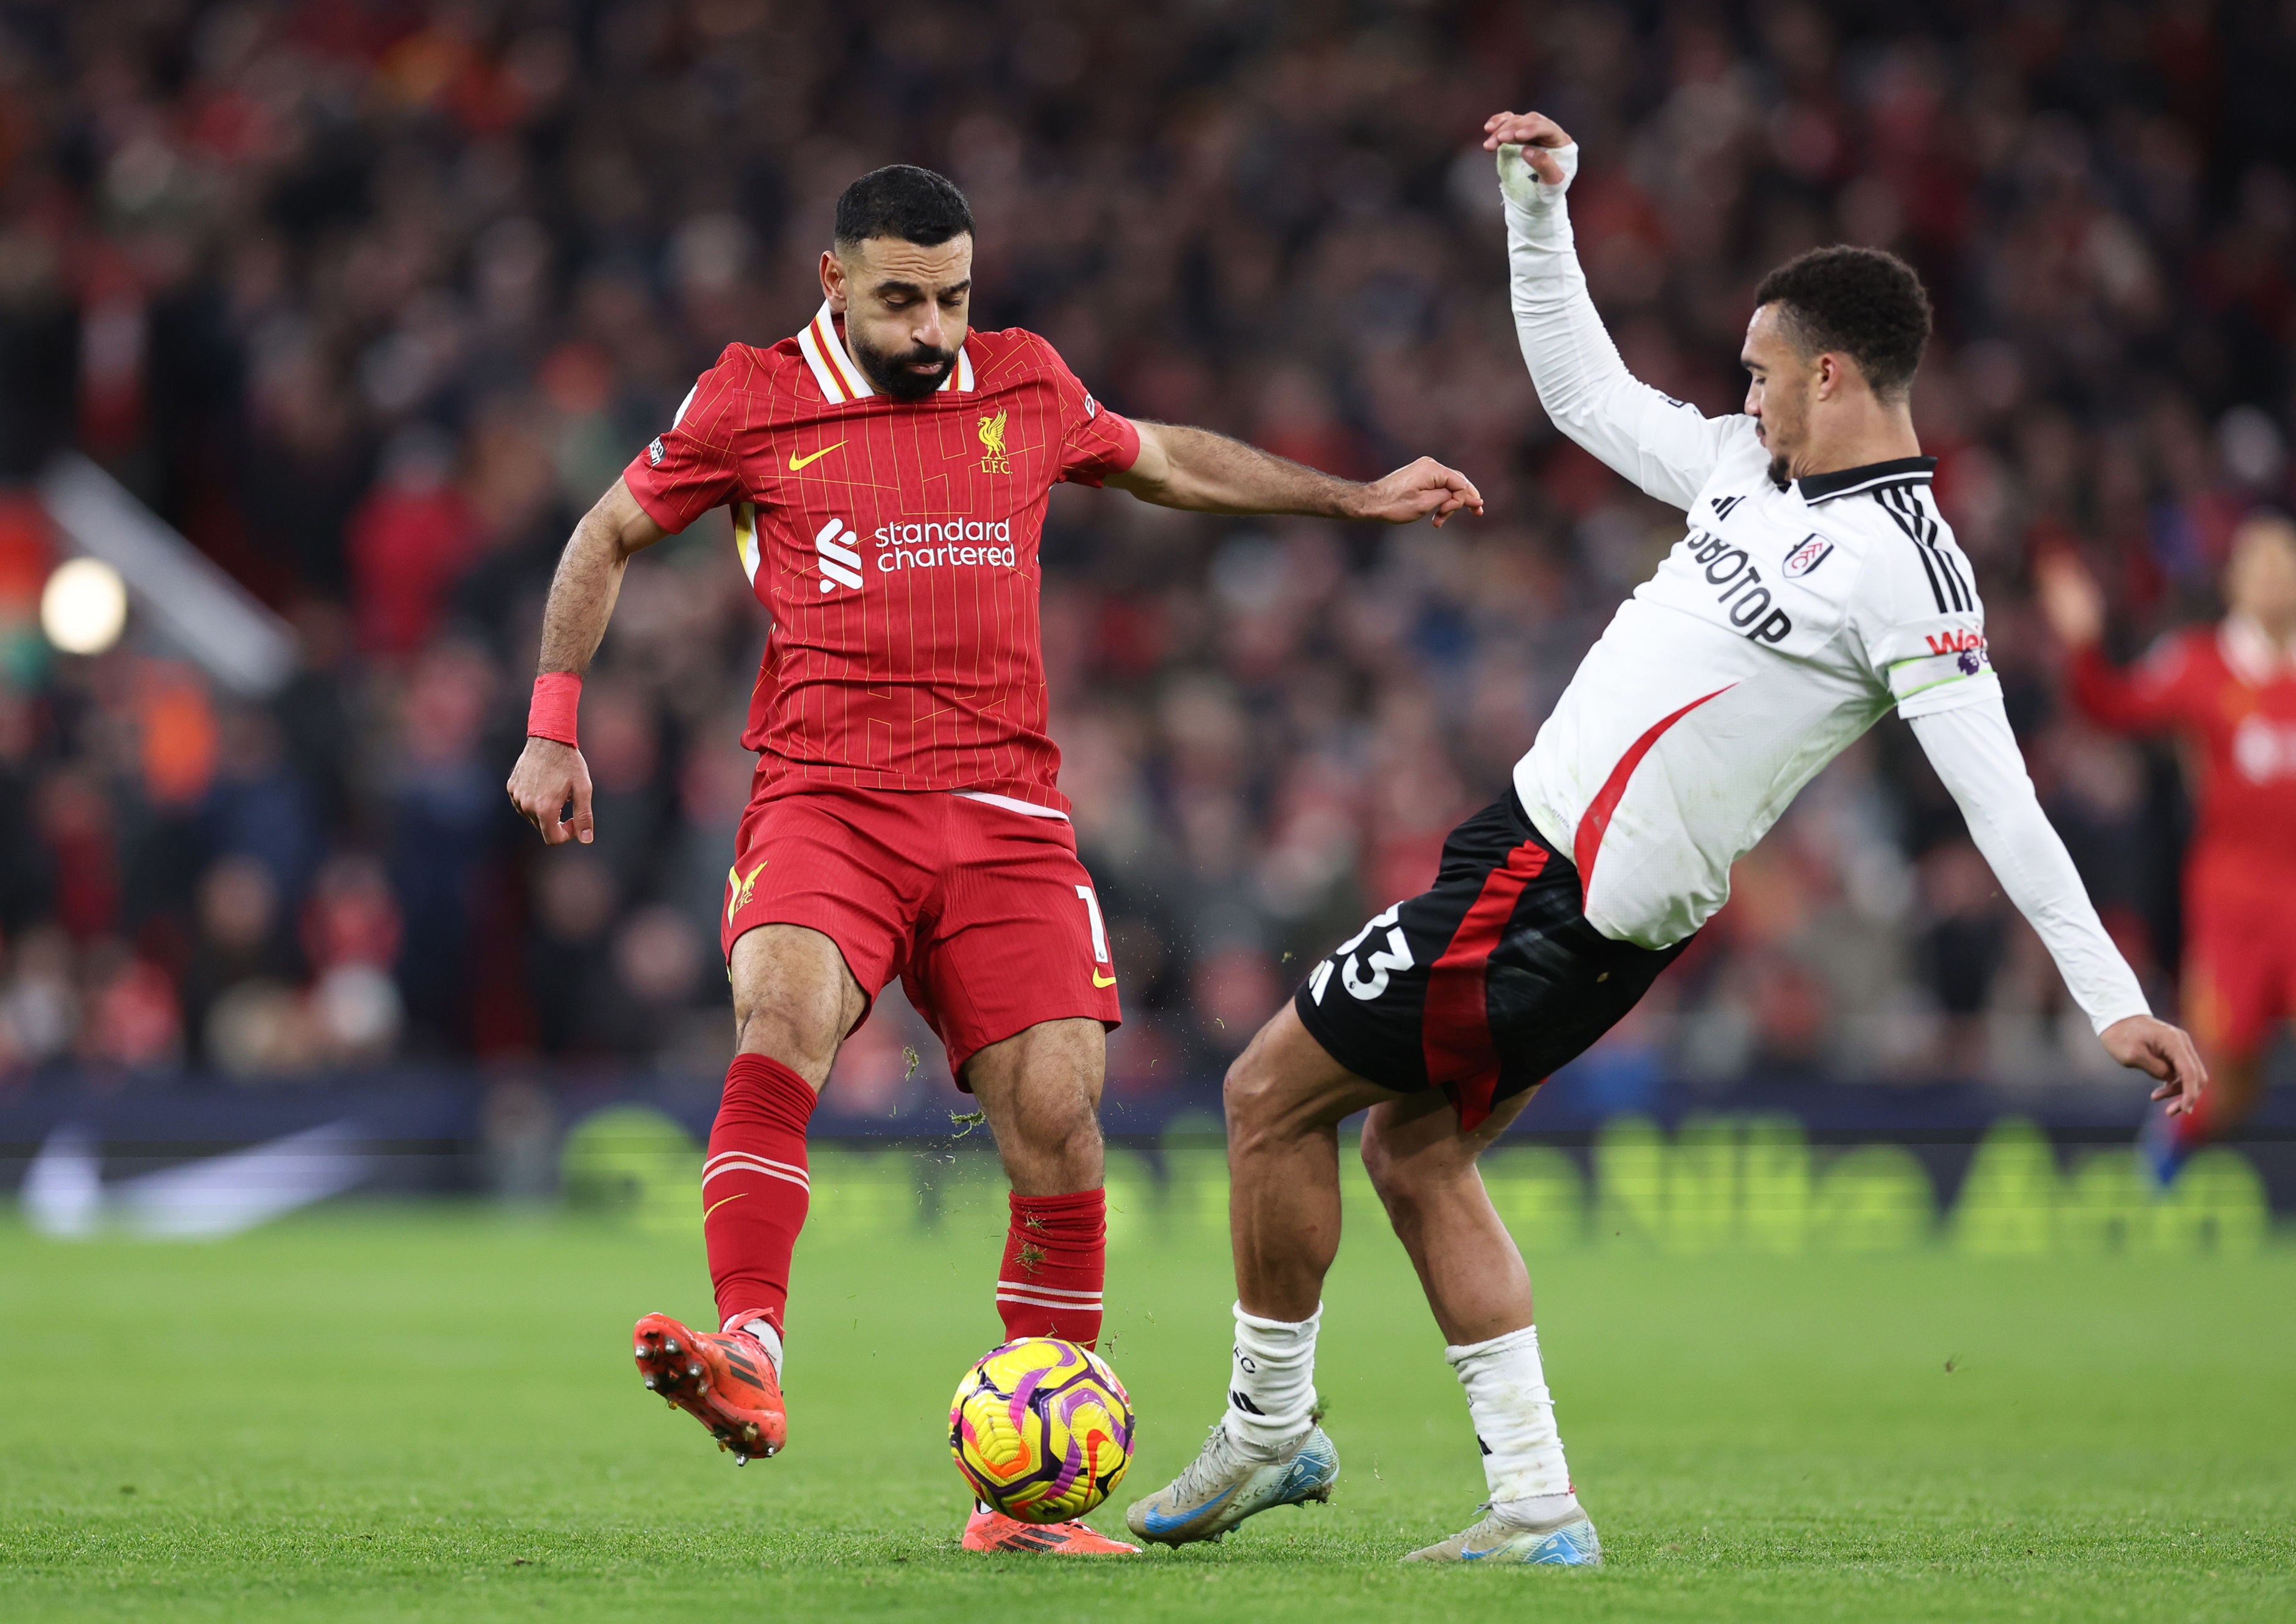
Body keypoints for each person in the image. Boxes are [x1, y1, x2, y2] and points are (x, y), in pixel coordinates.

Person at [1124, 111, 2207, 1567]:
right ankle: (1532, 1502)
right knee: (1413, 1152)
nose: (1739, 394)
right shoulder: (1743, 472)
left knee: (1265, 1095)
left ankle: (1268, 1425)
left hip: (1555, 891)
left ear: (1829, 374)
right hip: (1533, 864)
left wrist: (2109, 997)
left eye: (1758, 374)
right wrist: (1536, 209)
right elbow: (1581, 392)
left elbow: (1996, 796)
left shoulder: (1911, 574)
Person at [503, 165, 1481, 1556]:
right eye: (901, 299)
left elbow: (1166, 458)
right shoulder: (745, 397)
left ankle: (1018, 1500)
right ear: (832, 281)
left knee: (1060, 1126)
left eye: (954, 297)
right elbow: (603, 533)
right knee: (781, 1023)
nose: (933, 329)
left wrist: (1353, 500)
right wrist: (553, 729)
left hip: (1007, 817)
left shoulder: (1022, 383)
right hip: (824, 796)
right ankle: (753, 1347)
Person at [2037, 512, 2296, 1181]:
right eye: (2258, 564)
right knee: (2231, 1073)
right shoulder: (2199, 663)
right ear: (2234, 581)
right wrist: (2083, 642)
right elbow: (2112, 708)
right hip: (2232, 900)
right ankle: (2166, 1156)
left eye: (2282, 563)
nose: (2272, 577)